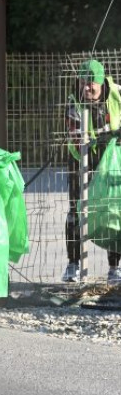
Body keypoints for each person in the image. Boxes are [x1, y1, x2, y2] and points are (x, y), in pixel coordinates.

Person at [63, 59, 121, 285]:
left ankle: (115, 268)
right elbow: (78, 139)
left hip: (113, 163)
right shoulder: (73, 102)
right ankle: (73, 264)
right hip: (80, 162)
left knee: (114, 211)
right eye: (83, 83)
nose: (87, 88)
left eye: (91, 84)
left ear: (101, 82)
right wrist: (102, 140)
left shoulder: (117, 93)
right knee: (76, 212)